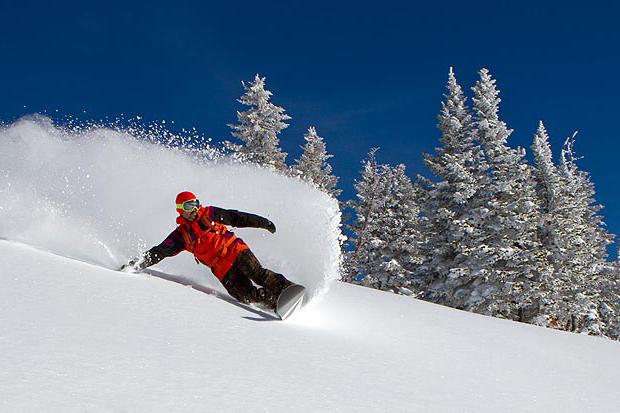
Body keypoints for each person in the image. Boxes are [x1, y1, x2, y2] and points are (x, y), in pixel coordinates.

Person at [121, 191, 292, 309]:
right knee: (244, 295)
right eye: (189, 207)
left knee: (257, 273)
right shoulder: (181, 236)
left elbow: (236, 217)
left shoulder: (209, 213)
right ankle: (274, 303)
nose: (194, 209)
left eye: (195, 204)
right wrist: (137, 264)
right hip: (221, 268)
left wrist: (263, 223)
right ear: (181, 210)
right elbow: (160, 251)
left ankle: (288, 289)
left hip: (234, 249)